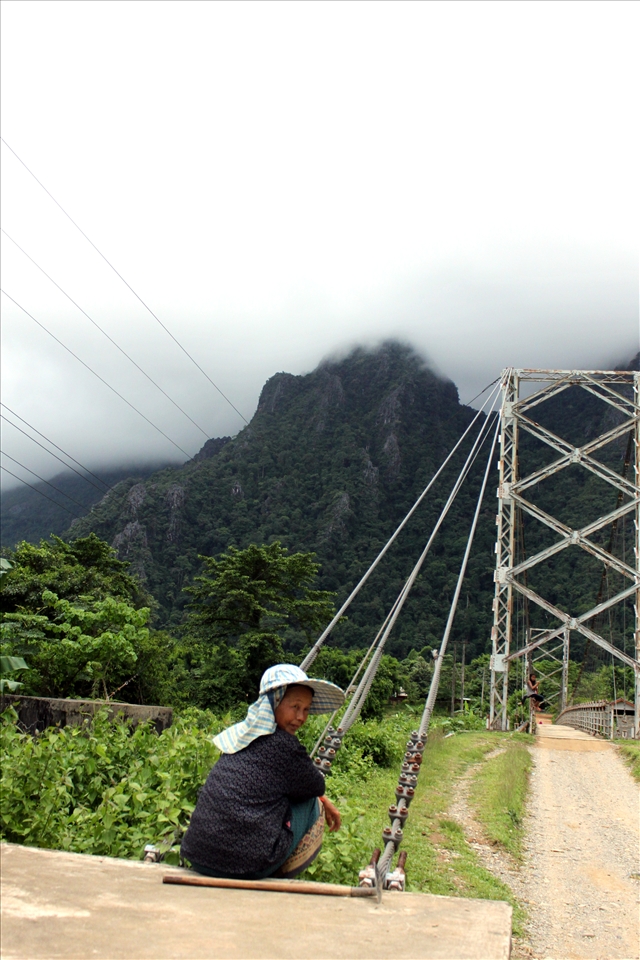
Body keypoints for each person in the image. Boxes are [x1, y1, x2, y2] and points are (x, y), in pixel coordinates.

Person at [180, 664, 345, 880]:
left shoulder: (240, 737)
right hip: (245, 867)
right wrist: (321, 799)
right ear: (275, 702)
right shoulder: (284, 746)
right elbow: (316, 786)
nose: (301, 717)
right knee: (311, 803)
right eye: (295, 707)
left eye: (306, 709)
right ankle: (277, 874)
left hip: (199, 857)